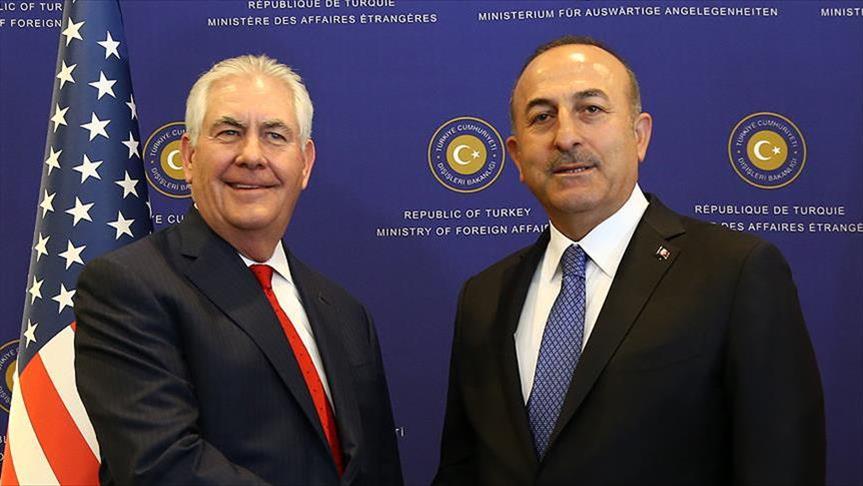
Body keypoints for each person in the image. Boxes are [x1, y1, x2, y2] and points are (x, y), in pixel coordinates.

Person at [434, 36, 824, 485]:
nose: (566, 136)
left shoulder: (735, 272)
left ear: (639, 136)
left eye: (591, 109)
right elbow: (461, 470)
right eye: (542, 117)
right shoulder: (483, 297)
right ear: (518, 155)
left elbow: (781, 466)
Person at [74, 55, 403, 485]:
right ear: (188, 157)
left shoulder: (345, 312)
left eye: (275, 135)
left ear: (305, 163)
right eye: (229, 132)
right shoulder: (128, 286)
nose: (252, 155)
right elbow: (161, 466)